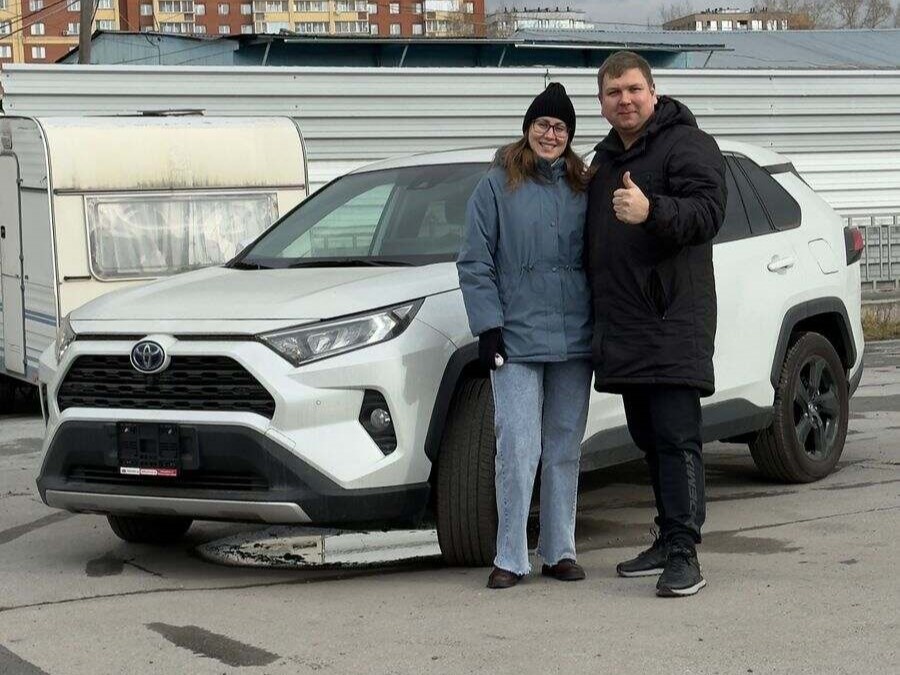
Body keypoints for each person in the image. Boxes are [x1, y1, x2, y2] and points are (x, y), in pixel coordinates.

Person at [586, 51, 727, 597]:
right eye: (613, 92)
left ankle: (686, 552)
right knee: (648, 438)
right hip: (625, 326)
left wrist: (652, 211)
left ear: (653, 92)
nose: (624, 100)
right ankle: (667, 539)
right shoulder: (603, 161)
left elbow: (708, 213)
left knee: (676, 439)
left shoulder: (686, 144)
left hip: (671, 321)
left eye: (633, 89)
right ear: (602, 103)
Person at [457, 83, 593, 589]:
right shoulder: (496, 185)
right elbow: (475, 261)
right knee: (516, 448)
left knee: (564, 447)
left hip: (574, 338)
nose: (550, 134)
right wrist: (488, 326)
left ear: (569, 135)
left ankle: (559, 551)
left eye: (560, 127)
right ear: (528, 129)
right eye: (542, 125)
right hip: (515, 339)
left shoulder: (583, 186)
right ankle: (510, 555)